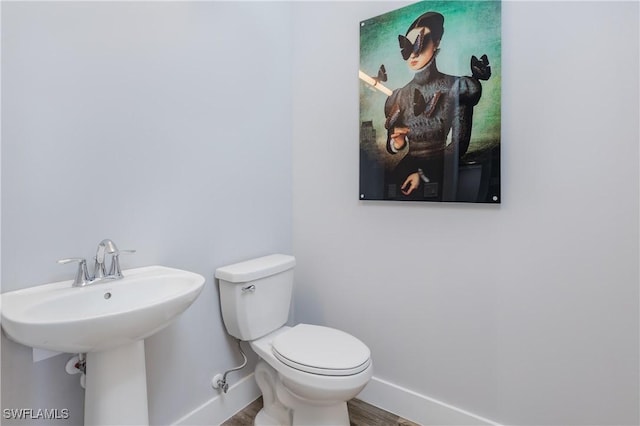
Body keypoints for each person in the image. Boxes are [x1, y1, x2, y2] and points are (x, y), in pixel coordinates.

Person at [384, 11, 489, 201]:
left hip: (441, 170)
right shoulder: (398, 96)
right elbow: (391, 144)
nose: (414, 54)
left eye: (421, 44)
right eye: (408, 48)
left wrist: (423, 175)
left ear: (436, 43)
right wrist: (396, 143)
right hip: (405, 169)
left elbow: (458, 145)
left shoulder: (456, 87)